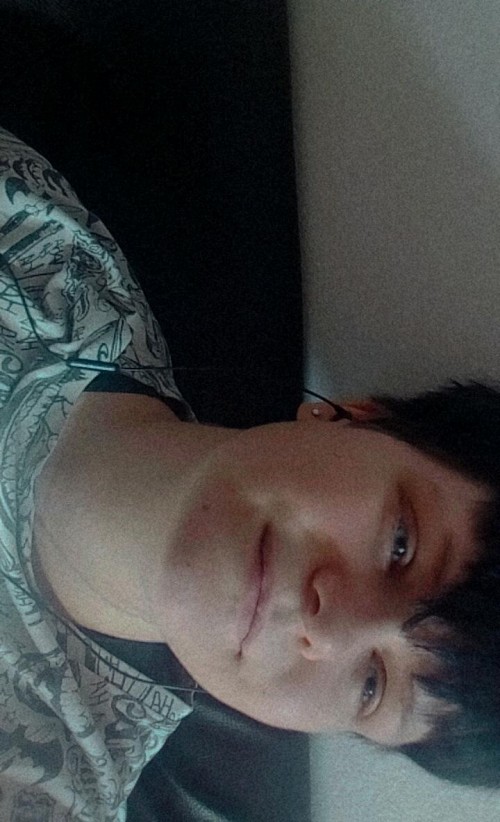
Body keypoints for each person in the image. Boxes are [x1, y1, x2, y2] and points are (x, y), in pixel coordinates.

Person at [1, 125, 499, 819]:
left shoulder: (49, 782)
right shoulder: (39, 259)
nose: (329, 629)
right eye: (400, 545)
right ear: (353, 416)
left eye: (371, 687)